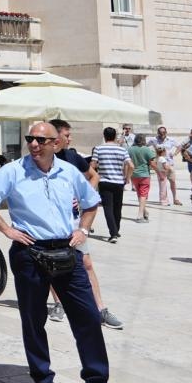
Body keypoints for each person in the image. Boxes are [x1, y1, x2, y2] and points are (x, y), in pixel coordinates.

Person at [0, 121, 132, 383]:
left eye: (41, 140)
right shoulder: (14, 170)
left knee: (87, 317)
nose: (34, 144)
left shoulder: (69, 171)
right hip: (29, 252)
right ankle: (42, 379)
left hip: (66, 250)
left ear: (55, 144)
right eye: (30, 139)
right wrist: (7, 230)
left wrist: (83, 229)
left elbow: (91, 202)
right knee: (34, 321)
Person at [49, 120, 123, 330]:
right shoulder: (40, 160)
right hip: (49, 224)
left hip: (72, 221)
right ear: (57, 136)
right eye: (67, 135)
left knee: (86, 263)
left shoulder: (72, 157)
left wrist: (82, 196)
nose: (70, 138)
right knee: (52, 266)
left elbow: (94, 176)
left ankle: (100, 309)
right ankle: (58, 303)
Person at [90, 127, 130, 243]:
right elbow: (131, 165)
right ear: (115, 136)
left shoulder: (98, 149)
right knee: (118, 207)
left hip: (104, 181)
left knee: (108, 208)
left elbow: (93, 165)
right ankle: (116, 230)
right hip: (118, 182)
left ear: (104, 135)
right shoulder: (122, 150)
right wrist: (127, 177)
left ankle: (113, 233)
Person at [127, 132, 158, 224]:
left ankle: (144, 211)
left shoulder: (130, 149)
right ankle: (140, 215)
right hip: (144, 175)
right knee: (143, 194)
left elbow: (127, 163)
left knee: (139, 194)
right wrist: (159, 172)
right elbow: (152, 163)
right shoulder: (147, 150)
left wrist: (127, 176)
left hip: (134, 175)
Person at [153, 126, 181, 207]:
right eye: (161, 132)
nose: (162, 134)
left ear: (166, 132)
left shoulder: (171, 140)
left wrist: (175, 154)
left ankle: (175, 199)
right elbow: (145, 145)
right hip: (160, 165)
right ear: (158, 133)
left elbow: (179, 146)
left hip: (170, 164)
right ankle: (164, 200)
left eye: (164, 132)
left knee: (173, 182)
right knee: (162, 183)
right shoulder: (154, 140)